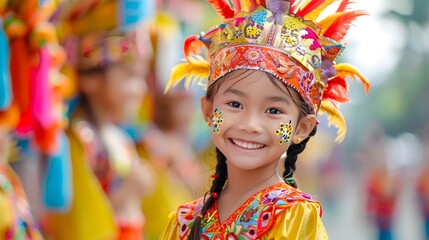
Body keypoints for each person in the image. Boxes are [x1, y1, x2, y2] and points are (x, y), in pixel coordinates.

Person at [161, 0, 370, 239]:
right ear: (208, 111)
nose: (250, 124)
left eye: (273, 111)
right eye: (235, 104)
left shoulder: (294, 217)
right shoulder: (183, 221)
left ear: (302, 127)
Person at [43, 1, 155, 239]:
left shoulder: (121, 140)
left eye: (143, 75)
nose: (140, 88)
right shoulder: (76, 141)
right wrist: (127, 196)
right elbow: (81, 230)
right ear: (90, 77)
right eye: (130, 75)